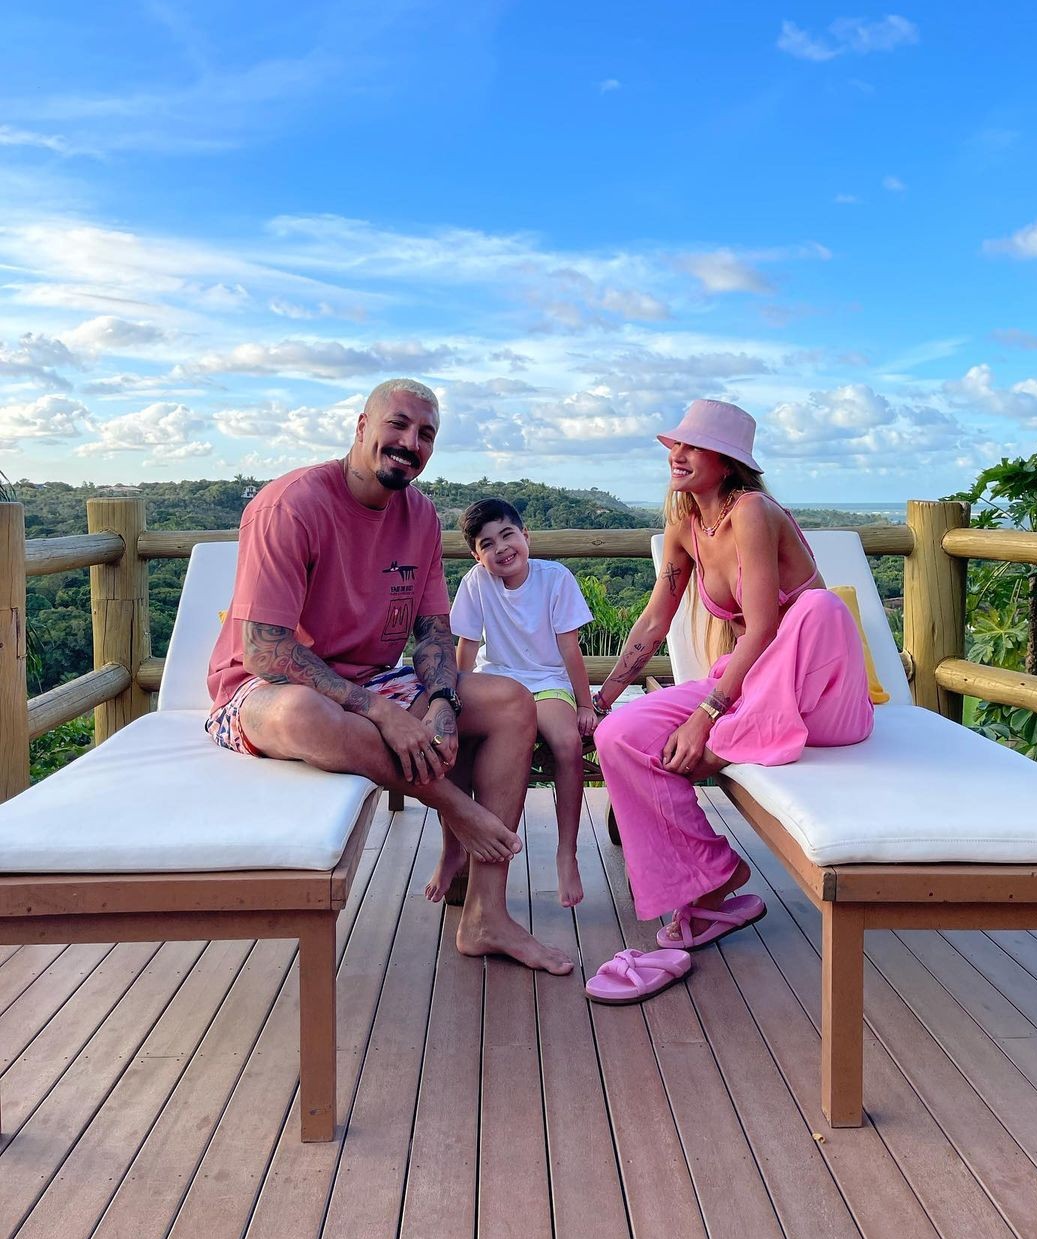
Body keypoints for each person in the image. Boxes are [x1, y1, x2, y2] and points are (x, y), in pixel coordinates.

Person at [204, 378, 574, 976]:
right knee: (305, 714)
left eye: (425, 434)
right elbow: (267, 651)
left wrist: (440, 705)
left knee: (509, 701)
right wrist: (384, 714)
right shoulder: (289, 506)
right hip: (264, 691)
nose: (410, 442)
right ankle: (455, 809)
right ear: (361, 426)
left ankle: (486, 915)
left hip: (375, 677)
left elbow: (432, 632)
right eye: (397, 425)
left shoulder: (420, 515)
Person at [592, 399, 873, 949]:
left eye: (693, 446)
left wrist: (705, 718)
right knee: (619, 737)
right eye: (676, 443)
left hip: (823, 696)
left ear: (726, 462)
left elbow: (766, 627)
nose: (678, 453)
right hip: (752, 691)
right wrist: (604, 699)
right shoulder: (685, 529)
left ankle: (724, 741)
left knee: (819, 610)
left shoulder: (752, 511)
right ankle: (712, 880)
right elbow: (653, 620)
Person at [427, 498, 595, 909]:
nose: (501, 548)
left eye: (507, 535)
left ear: (526, 537)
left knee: (567, 744)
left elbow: (569, 649)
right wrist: (454, 701)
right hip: (497, 683)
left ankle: (566, 852)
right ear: (476, 555)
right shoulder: (476, 582)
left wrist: (586, 704)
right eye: (486, 544)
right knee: (452, 744)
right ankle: (452, 848)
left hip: (546, 683)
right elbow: (466, 644)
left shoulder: (554, 579)